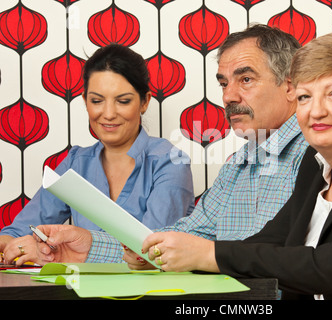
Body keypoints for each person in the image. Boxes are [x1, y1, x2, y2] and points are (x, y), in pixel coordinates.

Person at [139, 31, 332, 299]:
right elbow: (269, 243)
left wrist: (209, 254)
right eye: (304, 97)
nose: (315, 112)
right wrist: (172, 254)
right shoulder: (317, 166)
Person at [30, 24, 309, 266]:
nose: (228, 96)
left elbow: (297, 261)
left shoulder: (318, 155)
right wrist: (89, 246)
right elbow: (186, 237)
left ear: (289, 86)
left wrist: (204, 256)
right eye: (224, 83)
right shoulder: (237, 165)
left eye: (245, 79)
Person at [0, 44, 195, 266]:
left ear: (144, 101)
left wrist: (54, 252)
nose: (108, 114)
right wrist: (11, 243)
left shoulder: (170, 162)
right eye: (96, 101)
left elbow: (152, 253)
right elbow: (19, 230)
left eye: (123, 101)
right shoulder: (76, 162)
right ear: (85, 101)